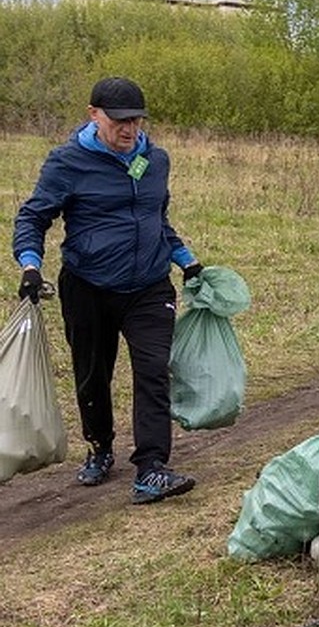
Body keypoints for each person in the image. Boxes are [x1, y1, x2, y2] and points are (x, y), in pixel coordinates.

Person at [12, 76, 203, 504]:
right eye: (119, 120)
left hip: (149, 285)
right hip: (88, 285)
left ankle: (152, 468)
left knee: (154, 370)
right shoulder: (67, 162)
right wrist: (29, 264)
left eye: (135, 120)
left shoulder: (155, 160)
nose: (128, 129)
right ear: (93, 114)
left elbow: (158, 219)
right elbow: (33, 217)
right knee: (92, 375)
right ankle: (99, 447)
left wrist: (186, 260)